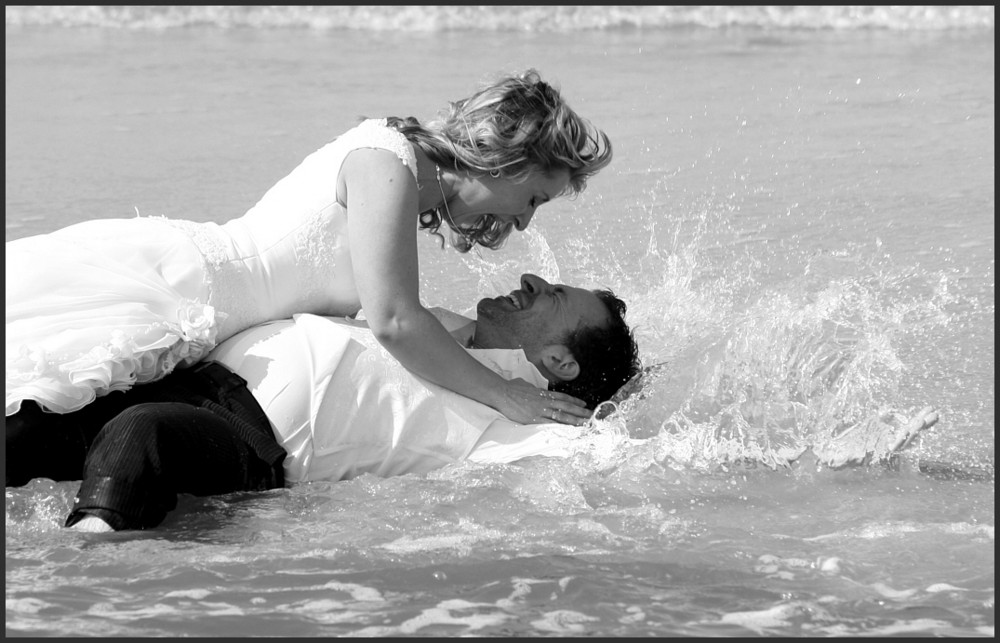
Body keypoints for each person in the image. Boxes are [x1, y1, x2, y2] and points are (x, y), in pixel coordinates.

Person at [5, 69, 613, 428]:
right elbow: (396, 321)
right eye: (535, 198)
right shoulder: (387, 163)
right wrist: (507, 395)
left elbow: (401, 324)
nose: (526, 224)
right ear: (507, 159)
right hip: (182, 287)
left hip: (211, 317)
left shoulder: (410, 187)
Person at [5, 274, 643, 532]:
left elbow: (628, 458)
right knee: (23, 426)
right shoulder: (429, 324)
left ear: (558, 363)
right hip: (190, 378)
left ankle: (81, 589)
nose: (531, 279)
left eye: (552, 295)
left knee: (139, 435)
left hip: (247, 437)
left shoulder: (518, 416)